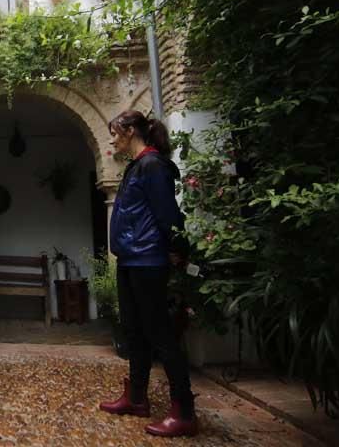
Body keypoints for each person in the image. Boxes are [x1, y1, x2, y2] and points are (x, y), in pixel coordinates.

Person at [98, 110, 198, 437]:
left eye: (115, 132)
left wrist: (178, 249)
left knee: (160, 334)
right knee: (134, 330)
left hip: (148, 259)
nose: (112, 139)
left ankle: (184, 410)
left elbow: (167, 213)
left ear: (129, 132)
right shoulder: (136, 167)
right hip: (130, 259)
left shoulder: (153, 165)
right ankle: (137, 398)